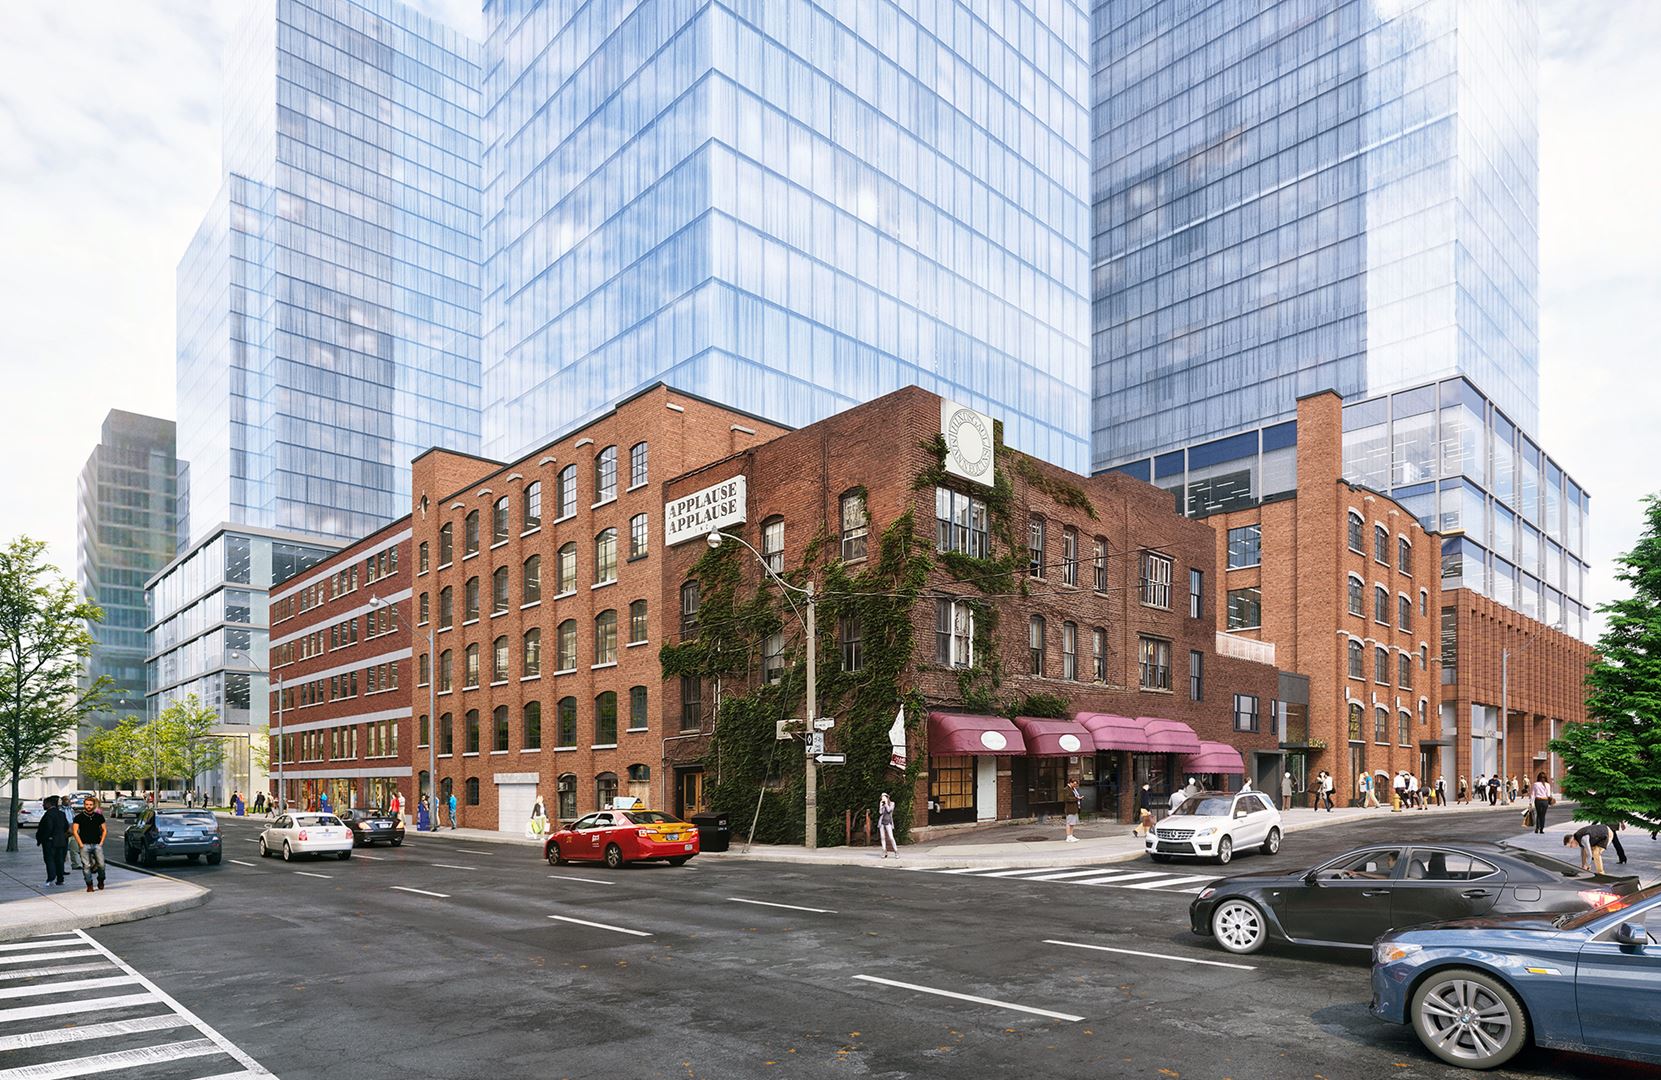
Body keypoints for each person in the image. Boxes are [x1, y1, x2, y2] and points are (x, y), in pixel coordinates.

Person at [71, 796, 108, 893]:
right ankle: (89, 884)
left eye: (90, 805)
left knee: (101, 865)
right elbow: (75, 831)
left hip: (97, 844)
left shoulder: (99, 817)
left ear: (94, 805)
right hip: (84, 845)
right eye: (87, 804)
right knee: (86, 866)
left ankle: (101, 880)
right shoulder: (79, 817)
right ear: (84, 805)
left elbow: (104, 830)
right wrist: (80, 844)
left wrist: (101, 842)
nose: (88, 806)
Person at [35, 795, 69, 886]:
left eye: (44, 803)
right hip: (61, 841)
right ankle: (60, 879)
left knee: (49, 860)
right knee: (59, 860)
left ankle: (51, 877)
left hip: (50, 842)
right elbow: (66, 827)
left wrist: (42, 838)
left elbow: (47, 828)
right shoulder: (61, 814)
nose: (43, 805)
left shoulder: (48, 815)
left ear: (49, 804)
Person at [878, 792, 899, 857]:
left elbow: (889, 810)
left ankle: (896, 851)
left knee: (891, 837)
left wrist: (886, 804)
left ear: (887, 797)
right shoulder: (882, 803)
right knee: (882, 837)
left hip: (888, 822)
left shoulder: (892, 803)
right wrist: (881, 806)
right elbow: (880, 812)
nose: (883, 799)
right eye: (882, 798)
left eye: (884, 797)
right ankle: (884, 852)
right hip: (882, 822)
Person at [1063, 778, 1083, 843]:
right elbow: (1067, 799)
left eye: (1076, 784)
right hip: (1070, 808)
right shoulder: (1066, 789)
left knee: (1072, 823)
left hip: (1074, 808)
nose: (1075, 785)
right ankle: (1068, 836)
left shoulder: (1073, 789)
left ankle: (1071, 835)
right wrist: (1077, 798)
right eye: (1074, 784)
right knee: (1069, 823)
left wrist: (1078, 798)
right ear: (1070, 783)